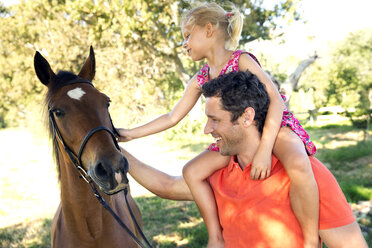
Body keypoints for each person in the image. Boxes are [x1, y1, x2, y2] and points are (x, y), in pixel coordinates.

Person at [118, 2, 319, 247]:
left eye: (188, 36)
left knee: (298, 162)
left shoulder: (241, 59)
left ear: (209, 30)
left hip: (270, 126)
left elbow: (276, 100)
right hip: (233, 136)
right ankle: (216, 236)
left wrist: (265, 149)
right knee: (192, 171)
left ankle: (311, 240)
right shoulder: (202, 77)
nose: (184, 44)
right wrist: (129, 134)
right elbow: (172, 117)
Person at [122, 71, 368, 248]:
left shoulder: (306, 174)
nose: (207, 129)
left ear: (247, 117)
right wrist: (112, 149)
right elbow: (166, 185)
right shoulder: (218, 172)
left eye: (215, 119)